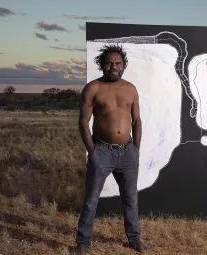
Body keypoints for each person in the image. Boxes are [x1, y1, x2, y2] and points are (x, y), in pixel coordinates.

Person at [71, 44, 148, 254]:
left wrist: (136, 149)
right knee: (90, 201)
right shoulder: (93, 88)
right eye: (109, 63)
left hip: (128, 152)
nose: (113, 66)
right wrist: (92, 152)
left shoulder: (131, 88)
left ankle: (134, 239)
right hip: (102, 152)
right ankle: (83, 244)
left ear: (123, 65)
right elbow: (83, 122)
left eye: (118, 63)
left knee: (131, 199)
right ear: (102, 65)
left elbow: (137, 120)